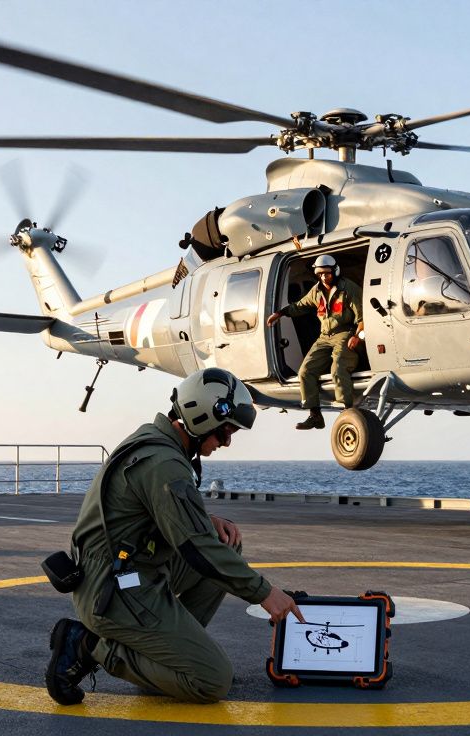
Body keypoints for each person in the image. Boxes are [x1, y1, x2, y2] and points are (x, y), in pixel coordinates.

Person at [46, 368, 303, 705]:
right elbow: (197, 549)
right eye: (225, 432)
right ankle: (89, 645)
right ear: (200, 418)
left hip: (130, 572)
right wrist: (264, 592)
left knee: (228, 545)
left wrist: (206, 520)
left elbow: (148, 507)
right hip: (112, 589)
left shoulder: (158, 442)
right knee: (211, 680)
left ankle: (164, 655)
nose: (226, 442)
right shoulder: (164, 462)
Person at [265, 254, 365, 430]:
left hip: (344, 333)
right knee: (305, 371)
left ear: (335, 271)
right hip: (324, 337)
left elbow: (362, 316)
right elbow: (300, 306)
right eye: (320, 274)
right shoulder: (316, 291)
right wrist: (280, 313)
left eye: (327, 273)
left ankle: (346, 411)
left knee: (339, 366)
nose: (324, 277)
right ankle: (315, 415)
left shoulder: (348, 289)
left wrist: (357, 336)